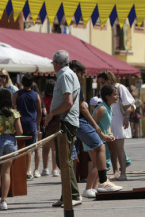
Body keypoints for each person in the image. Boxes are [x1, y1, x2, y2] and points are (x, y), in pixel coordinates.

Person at [69, 61, 122, 198]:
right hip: (93, 138)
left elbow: (107, 124)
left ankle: (94, 188)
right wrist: (103, 135)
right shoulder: (102, 108)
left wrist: (108, 133)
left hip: (99, 137)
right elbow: (93, 123)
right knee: (96, 165)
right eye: (115, 94)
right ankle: (90, 188)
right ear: (107, 96)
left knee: (99, 164)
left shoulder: (109, 108)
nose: (117, 96)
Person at [45, 50, 82, 207]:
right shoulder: (68, 74)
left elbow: (68, 102)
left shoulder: (65, 75)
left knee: (64, 160)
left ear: (57, 63)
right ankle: (66, 194)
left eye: (53, 62)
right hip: (66, 120)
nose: (53, 65)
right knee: (63, 160)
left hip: (64, 121)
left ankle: (73, 195)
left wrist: (51, 113)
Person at [97, 71, 134, 181]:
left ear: (109, 79)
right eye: (100, 83)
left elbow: (128, 104)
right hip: (108, 121)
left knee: (119, 148)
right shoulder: (103, 91)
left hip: (119, 120)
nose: (102, 84)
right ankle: (116, 172)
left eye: (103, 82)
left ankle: (123, 173)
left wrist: (127, 118)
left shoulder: (120, 87)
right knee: (111, 149)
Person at [12, 74, 42, 181]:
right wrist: (38, 124)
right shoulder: (36, 95)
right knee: (30, 148)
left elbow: (13, 108)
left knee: (19, 147)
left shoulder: (17, 94)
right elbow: (40, 111)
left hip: (19, 123)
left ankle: (19, 169)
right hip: (31, 124)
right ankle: (28, 171)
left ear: (22, 83)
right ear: (32, 84)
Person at [0, 88, 23, 210]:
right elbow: (20, 131)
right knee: (6, 172)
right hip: (10, 142)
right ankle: (3, 200)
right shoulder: (15, 113)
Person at [41, 79, 59, 177]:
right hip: (54, 125)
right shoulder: (56, 100)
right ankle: (55, 169)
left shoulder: (43, 99)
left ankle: (45, 168)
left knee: (45, 148)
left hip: (44, 125)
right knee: (54, 149)